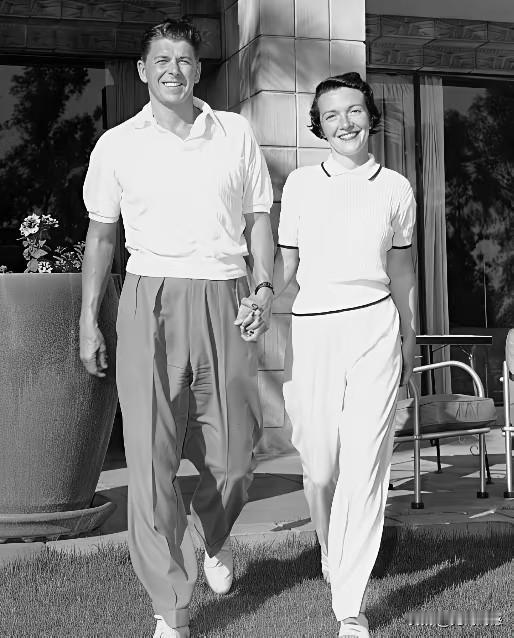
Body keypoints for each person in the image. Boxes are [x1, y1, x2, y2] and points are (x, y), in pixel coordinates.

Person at [79, 18, 274, 638]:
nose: (173, 69)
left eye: (184, 59)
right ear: (143, 71)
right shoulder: (117, 145)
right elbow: (102, 235)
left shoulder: (234, 132)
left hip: (227, 292)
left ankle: (211, 533)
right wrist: (89, 317)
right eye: (161, 59)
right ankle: (171, 607)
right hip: (149, 297)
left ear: (198, 69)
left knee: (238, 455)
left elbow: (259, 217)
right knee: (149, 461)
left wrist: (264, 287)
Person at [273, 72, 417, 637]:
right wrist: (262, 297)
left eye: (354, 111)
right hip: (313, 329)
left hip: (375, 327)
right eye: (331, 115)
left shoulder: (396, 188)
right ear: (319, 125)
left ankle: (350, 606)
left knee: (365, 465)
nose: (345, 123)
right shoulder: (301, 185)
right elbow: (288, 264)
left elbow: (401, 270)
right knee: (320, 463)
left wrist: (408, 337)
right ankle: (329, 545)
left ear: (370, 116)